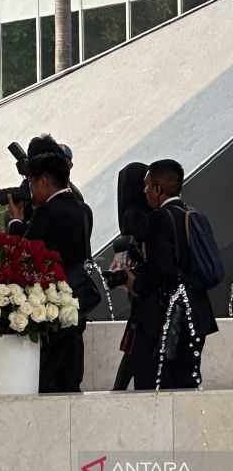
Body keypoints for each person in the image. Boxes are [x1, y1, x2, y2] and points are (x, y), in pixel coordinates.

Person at [8, 136, 94, 393]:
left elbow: (26, 256)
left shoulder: (48, 212)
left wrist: (16, 224)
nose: (31, 190)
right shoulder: (83, 209)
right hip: (76, 302)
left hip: (50, 306)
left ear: (44, 180)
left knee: (48, 380)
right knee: (71, 376)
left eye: (32, 182)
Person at [127, 159, 218, 389]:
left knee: (156, 383)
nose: (145, 192)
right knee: (187, 382)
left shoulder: (159, 218)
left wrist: (134, 283)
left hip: (168, 317)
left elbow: (161, 270)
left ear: (158, 189)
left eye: (147, 186)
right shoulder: (195, 215)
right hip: (197, 313)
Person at [111, 162, 150, 391]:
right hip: (144, 283)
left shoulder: (126, 215)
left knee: (134, 343)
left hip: (133, 281)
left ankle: (119, 388)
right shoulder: (142, 214)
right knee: (139, 343)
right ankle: (121, 388)